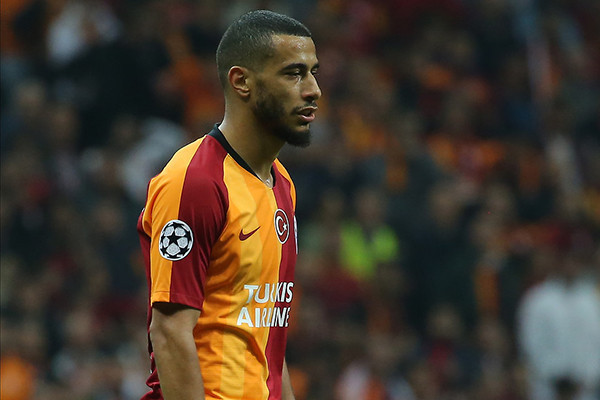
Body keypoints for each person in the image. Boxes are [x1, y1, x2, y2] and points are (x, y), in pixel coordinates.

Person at [137, 10, 321, 400]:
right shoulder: (196, 181)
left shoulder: (282, 184)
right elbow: (170, 331)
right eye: (293, 74)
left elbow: (266, 339)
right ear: (241, 82)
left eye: (313, 73)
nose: (313, 90)